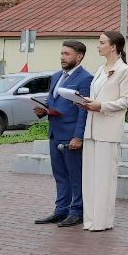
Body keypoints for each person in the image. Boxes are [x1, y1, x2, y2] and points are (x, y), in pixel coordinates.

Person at [77, 30, 128, 232]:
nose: (98, 46)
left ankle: (103, 221)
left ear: (113, 46)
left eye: (101, 42)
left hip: (108, 130)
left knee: (104, 178)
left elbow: (127, 100)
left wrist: (101, 105)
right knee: (90, 177)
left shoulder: (124, 70)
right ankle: (90, 220)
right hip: (92, 129)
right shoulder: (101, 69)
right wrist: (87, 103)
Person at [33, 40, 93, 228]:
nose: (62, 57)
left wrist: (79, 136)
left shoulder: (85, 79)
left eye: (67, 54)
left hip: (71, 135)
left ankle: (77, 212)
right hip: (55, 132)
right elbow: (54, 101)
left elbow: (84, 109)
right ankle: (61, 211)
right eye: (62, 54)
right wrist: (44, 110)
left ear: (79, 56)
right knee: (59, 175)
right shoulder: (56, 75)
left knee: (75, 176)